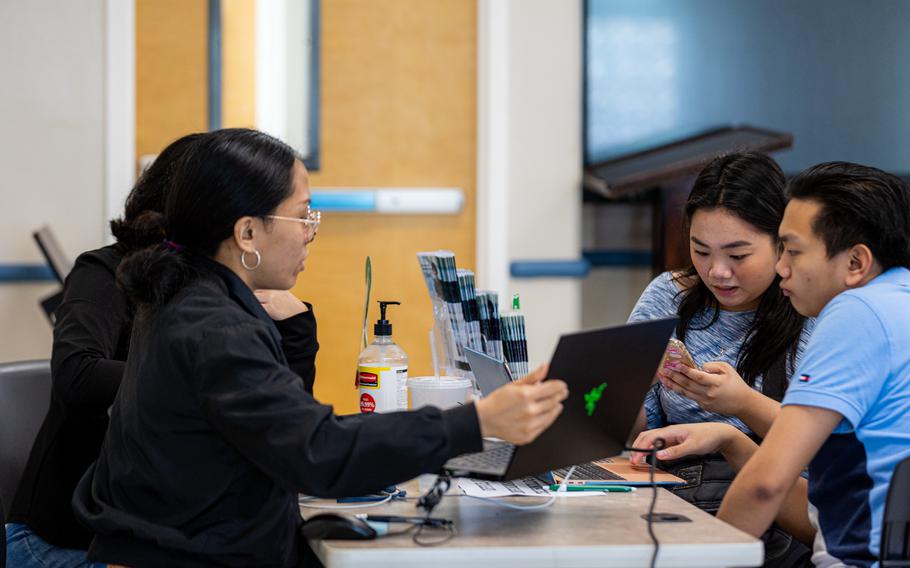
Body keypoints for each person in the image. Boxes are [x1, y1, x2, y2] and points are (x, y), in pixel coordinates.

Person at [72, 128, 568, 567]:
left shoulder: (188, 296)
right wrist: (477, 423)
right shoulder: (212, 327)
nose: (311, 233)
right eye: (303, 216)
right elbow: (318, 452)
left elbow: (293, 427)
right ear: (247, 232)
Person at [5, 133, 319, 568]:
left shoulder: (217, 291)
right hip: (71, 540)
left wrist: (297, 327)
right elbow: (76, 375)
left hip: (159, 538)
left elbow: (277, 421)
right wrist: (188, 377)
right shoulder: (106, 271)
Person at [633, 161, 910, 566]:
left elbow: (765, 486)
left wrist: (709, 561)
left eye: (793, 251)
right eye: (701, 250)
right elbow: (818, 511)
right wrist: (730, 440)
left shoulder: (854, 313)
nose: (783, 268)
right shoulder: (898, 299)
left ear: (856, 263)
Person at [628, 153, 812, 505]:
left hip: (778, 503)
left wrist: (743, 404)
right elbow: (635, 437)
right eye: (701, 251)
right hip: (669, 491)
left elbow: (827, 444)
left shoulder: (812, 305)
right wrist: (633, 383)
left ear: (781, 241)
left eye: (738, 256)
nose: (717, 272)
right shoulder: (669, 296)